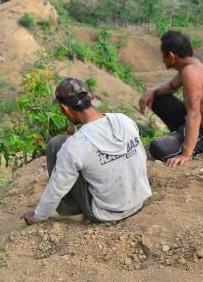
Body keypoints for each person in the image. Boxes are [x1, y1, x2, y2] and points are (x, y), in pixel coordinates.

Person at [22, 78, 151, 225]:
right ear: (91, 97)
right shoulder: (123, 120)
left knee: (55, 144)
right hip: (139, 200)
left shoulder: (76, 144)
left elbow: (57, 187)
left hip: (107, 213)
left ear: (64, 108)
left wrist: (38, 216)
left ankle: (71, 211)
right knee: (67, 147)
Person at [139, 30, 203, 166]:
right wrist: (152, 90)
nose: (162, 59)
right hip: (193, 121)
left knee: (158, 148)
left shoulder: (191, 72)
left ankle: (183, 141)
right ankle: (179, 135)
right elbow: (171, 86)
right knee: (158, 98)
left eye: (163, 55)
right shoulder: (189, 65)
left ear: (172, 56)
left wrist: (186, 154)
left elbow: (194, 114)